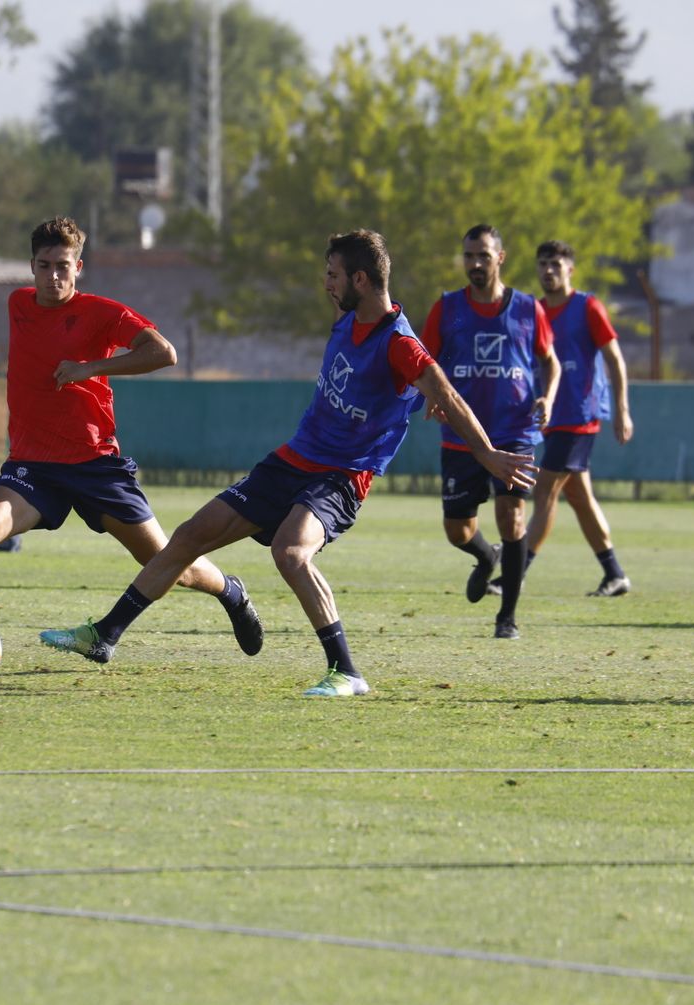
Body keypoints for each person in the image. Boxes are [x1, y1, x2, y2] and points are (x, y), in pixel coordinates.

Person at [39, 230, 536, 696]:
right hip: (293, 459)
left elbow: (443, 388)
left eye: (333, 275)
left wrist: (486, 451)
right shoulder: (349, 320)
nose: (326, 283)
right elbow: (414, 390)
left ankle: (346, 671)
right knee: (191, 533)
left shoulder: (400, 343)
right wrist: (415, 398)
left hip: (342, 475)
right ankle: (103, 635)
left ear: (360, 281)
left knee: (290, 552)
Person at [0, 217, 262, 660]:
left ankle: (231, 591)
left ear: (79, 267)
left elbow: (163, 352)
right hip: (33, 467)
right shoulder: (17, 302)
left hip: (95, 465)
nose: (53, 276)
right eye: (44, 265)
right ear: (32, 266)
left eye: (63, 266)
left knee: (166, 563)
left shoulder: (101, 312)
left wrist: (89, 368)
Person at [420, 224, 559, 640]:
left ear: (500, 257)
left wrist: (548, 397)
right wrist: (430, 395)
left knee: (512, 517)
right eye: (468, 256)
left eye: (483, 255)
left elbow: (549, 362)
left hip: (514, 432)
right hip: (461, 434)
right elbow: (423, 363)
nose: (475, 264)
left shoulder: (527, 309)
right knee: (457, 530)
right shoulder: (447, 309)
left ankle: (507, 618)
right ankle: (485, 558)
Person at [524, 239, 634, 597]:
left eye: (556, 264)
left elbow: (615, 360)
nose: (548, 270)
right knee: (580, 498)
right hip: (552, 419)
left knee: (544, 493)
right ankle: (614, 573)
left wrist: (621, 409)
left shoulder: (587, 307)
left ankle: (514, 573)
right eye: (543, 264)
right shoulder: (536, 311)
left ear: (570, 268)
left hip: (579, 417)